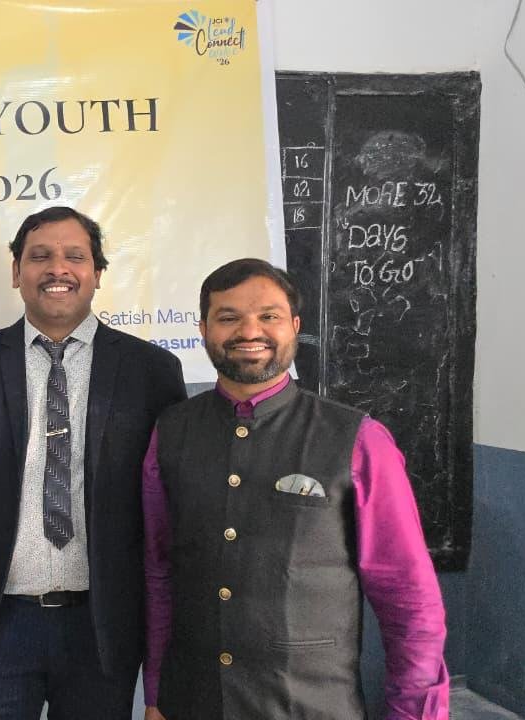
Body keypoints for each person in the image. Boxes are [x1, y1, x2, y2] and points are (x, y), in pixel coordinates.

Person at [0, 206, 187, 719]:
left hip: (102, 629)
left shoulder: (151, 371)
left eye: (74, 257)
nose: (57, 268)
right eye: (40, 256)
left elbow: (167, 518)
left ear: (97, 273)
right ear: (17, 272)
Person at [142, 258, 449, 720]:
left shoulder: (357, 440)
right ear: (203, 329)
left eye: (269, 316)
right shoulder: (171, 432)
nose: (250, 331)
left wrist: (415, 714)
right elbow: (160, 572)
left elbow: (407, 595)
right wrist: (156, 695)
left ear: (295, 327)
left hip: (312, 705)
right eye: (228, 317)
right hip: (192, 702)